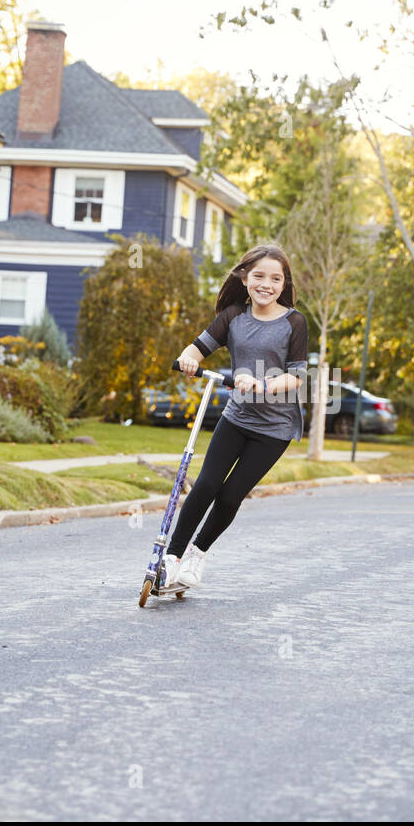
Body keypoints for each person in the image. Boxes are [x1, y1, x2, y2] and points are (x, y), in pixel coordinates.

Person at [163, 245, 309, 588]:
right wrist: (188, 358)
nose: (266, 285)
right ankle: (171, 559)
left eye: (275, 279)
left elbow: (296, 376)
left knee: (230, 496)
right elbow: (198, 347)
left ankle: (197, 556)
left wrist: (261, 384)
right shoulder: (232, 316)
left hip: (275, 428)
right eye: (259, 276)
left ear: (283, 283)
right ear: (244, 278)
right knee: (207, 485)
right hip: (237, 416)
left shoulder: (294, 322)